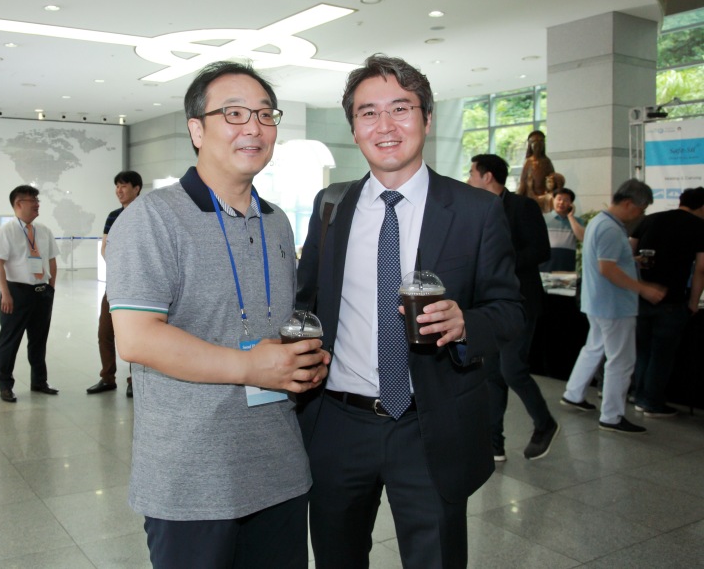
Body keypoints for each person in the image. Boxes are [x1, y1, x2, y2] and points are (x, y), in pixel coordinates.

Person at [295, 54, 522, 568]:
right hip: (339, 424)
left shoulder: (476, 210)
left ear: (426, 118)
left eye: (400, 108)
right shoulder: (331, 207)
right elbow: (306, 302)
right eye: (368, 113)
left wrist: (467, 323)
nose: (385, 126)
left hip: (431, 424)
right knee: (336, 557)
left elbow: (510, 310)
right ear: (354, 129)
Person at [107, 61, 328, 568]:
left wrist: (303, 360)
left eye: (265, 114)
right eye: (233, 113)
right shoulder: (151, 218)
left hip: (279, 469)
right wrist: (250, 366)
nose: (254, 127)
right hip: (192, 480)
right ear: (196, 130)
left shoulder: (277, 222)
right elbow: (137, 339)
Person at [468, 154, 559, 462]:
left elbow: (540, 250)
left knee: (512, 370)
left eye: (472, 173)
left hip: (521, 301)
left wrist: (498, 264)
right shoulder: (478, 208)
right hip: (488, 303)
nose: (469, 179)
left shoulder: (522, 206)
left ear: (487, 176)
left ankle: (545, 424)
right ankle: (494, 443)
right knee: (491, 374)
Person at [560, 179, 665, 434]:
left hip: (599, 302)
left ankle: (574, 393)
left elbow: (608, 262)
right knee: (621, 360)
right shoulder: (610, 228)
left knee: (594, 348)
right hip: (614, 305)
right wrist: (643, 289)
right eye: (640, 209)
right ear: (628, 203)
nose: (640, 215)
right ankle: (612, 416)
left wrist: (631, 260)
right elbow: (607, 269)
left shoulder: (600, 222)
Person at [629, 186, 704, 417]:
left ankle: (637, 395)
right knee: (662, 354)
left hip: (641, 296)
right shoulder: (699, 227)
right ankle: (651, 402)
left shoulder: (650, 219)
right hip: (672, 299)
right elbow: (701, 269)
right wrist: (694, 302)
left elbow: (627, 254)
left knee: (642, 350)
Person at [0, 185, 59, 401]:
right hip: (16, 292)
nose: (37, 204)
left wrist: (51, 288)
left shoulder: (44, 230)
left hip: (42, 293)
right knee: (10, 341)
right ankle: (5, 385)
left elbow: (51, 260)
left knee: (39, 340)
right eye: (33, 201)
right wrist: (5, 293)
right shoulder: (6, 231)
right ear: (19, 203)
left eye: (38, 200)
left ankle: (39, 381)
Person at [87, 170, 142, 396]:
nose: (119, 190)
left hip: (138, 287)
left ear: (136, 189)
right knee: (105, 333)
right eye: (117, 186)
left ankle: (134, 380)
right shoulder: (113, 216)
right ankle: (107, 377)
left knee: (135, 335)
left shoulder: (145, 214)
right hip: (115, 285)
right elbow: (105, 248)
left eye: (124, 186)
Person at [540, 187, 585, 272]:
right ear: (553, 200)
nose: (561, 202)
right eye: (559, 199)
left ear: (571, 204)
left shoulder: (577, 221)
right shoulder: (543, 218)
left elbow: (582, 237)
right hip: (545, 265)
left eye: (566, 200)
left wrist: (570, 217)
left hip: (567, 265)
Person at [517, 130, 555, 200]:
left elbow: (553, 179)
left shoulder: (547, 161)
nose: (538, 144)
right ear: (530, 144)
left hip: (545, 197)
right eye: (534, 141)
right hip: (531, 197)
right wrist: (517, 199)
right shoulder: (528, 162)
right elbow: (523, 182)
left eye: (541, 141)